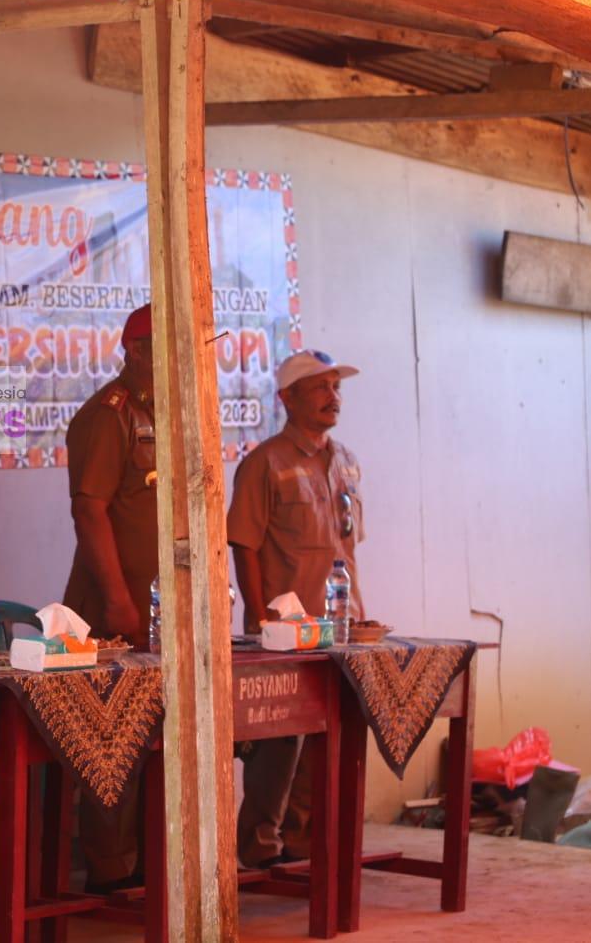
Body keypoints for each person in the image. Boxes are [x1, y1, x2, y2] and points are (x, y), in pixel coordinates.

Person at [226, 349, 365, 868]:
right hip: (285, 631)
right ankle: (260, 847)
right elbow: (244, 544)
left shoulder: (346, 460)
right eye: (320, 388)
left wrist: (359, 613)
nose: (333, 398)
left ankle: (305, 847)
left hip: (338, 627)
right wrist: (262, 621)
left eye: (336, 387)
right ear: (286, 399)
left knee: (324, 737)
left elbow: (348, 547)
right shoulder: (266, 463)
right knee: (280, 744)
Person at [60, 303, 159, 891]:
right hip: (114, 612)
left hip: (165, 612)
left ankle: (157, 860)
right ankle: (110, 870)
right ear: (138, 350)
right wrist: (120, 604)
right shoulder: (108, 414)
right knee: (113, 744)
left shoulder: (173, 413)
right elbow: (89, 510)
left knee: (158, 740)